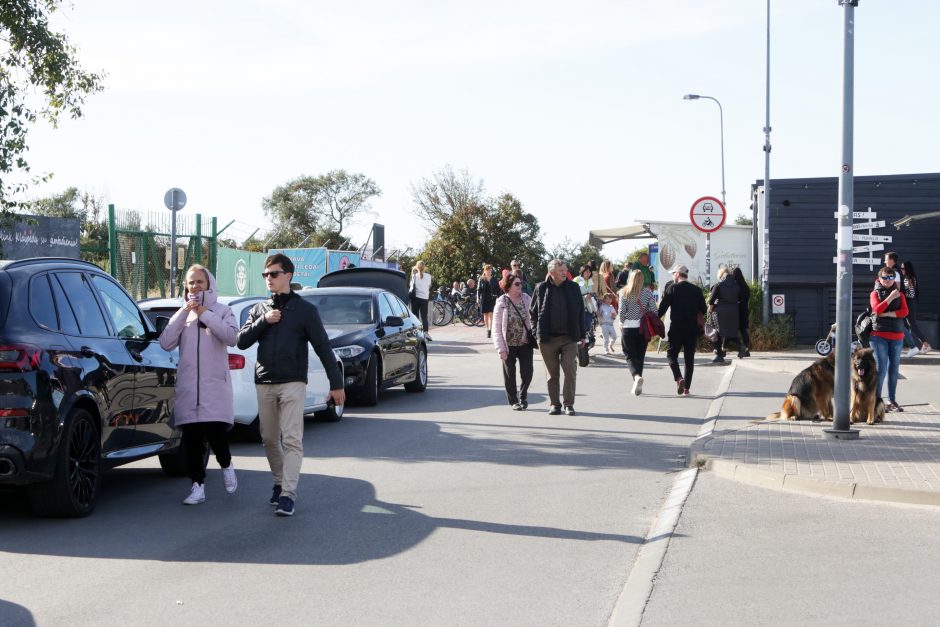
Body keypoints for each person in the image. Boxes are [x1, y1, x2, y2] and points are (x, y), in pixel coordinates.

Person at [237, 253, 346, 517]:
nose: (269, 279)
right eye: (265, 275)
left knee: (292, 439)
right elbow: (241, 341)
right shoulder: (259, 309)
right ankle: (278, 482)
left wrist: (336, 384)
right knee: (269, 439)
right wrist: (264, 321)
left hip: (293, 382)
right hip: (264, 381)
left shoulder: (305, 311)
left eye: (273, 274)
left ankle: (288, 494)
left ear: (288, 275)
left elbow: (322, 346)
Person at [159, 264, 239, 505]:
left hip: (214, 387)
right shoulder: (183, 314)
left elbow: (232, 337)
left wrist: (204, 313)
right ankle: (197, 486)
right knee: (192, 440)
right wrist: (185, 311)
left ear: (209, 284)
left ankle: (226, 465)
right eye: (190, 283)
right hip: (189, 388)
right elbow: (165, 343)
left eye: (199, 282)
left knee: (216, 435)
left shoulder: (223, 311)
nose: (194, 286)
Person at [530, 259, 585, 416]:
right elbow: (533, 313)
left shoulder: (573, 288)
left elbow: (580, 311)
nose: (564, 273)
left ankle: (569, 404)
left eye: (565, 270)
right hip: (547, 339)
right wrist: (536, 333)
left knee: (570, 370)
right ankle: (555, 404)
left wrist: (582, 335)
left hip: (569, 337)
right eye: (561, 271)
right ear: (551, 272)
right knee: (552, 374)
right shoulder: (540, 288)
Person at [658, 265, 707, 396]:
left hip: (676, 328)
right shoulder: (696, 290)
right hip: (692, 329)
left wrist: (652, 319)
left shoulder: (672, 288)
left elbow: (662, 309)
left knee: (671, 355)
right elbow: (704, 309)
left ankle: (679, 378)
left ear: (678, 274)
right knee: (689, 359)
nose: (672, 276)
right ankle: (687, 389)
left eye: (673, 273)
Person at [492, 274, 534, 410]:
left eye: (520, 283)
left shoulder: (527, 299)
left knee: (527, 372)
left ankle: (523, 394)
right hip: (507, 345)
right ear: (508, 286)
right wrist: (500, 349)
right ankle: (514, 401)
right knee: (510, 374)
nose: (520, 286)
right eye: (516, 284)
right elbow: (496, 328)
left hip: (525, 343)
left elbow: (535, 318)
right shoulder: (501, 303)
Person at [870, 266, 908, 412]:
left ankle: (892, 401)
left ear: (894, 279)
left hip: (897, 336)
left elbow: (905, 311)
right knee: (881, 369)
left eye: (891, 277)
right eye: (885, 277)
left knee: (894, 369)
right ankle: (876, 401)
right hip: (879, 336)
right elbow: (876, 310)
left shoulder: (901, 295)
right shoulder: (875, 293)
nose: (888, 280)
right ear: (879, 279)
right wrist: (890, 298)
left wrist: (888, 314)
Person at [618, 269, 657, 395]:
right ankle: (638, 379)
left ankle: (636, 377)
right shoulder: (647, 292)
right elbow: (654, 310)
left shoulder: (624, 292)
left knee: (629, 355)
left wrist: (621, 322)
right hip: (643, 328)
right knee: (640, 356)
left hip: (628, 327)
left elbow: (622, 311)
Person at [707, 266, 741, 363]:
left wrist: (710, 310)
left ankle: (719, 355)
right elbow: (739, 298)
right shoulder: (736, 285)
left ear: (721, 275)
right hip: (734, 311)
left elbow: (711, 301)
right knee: (730, 332)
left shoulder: (718, 285)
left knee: (716, 333)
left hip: (720, 312)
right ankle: (740, 346)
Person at [900, 260, 931, 357]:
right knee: (907, 325)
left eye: (903, 268)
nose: (901, 270)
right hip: (909, 303)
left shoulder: (909, 279)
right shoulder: (909, 278)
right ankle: (914, 346)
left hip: (909, 303)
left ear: (907, 269)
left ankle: (925, 344)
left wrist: (902, 293)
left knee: (912, 325)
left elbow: (911, 294)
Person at [409, 260, 433, 341]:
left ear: (416, 267)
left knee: (415, 316)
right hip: (424, 298)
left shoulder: (414, 276)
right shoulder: (429, 276)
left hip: (416, 298)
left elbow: (411, 286)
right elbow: (429, 286)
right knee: (424, 317)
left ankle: (416, 333)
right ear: (424, 267)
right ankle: (426, 333)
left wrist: (413, 272)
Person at [731, 267, 751, 357]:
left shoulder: (734, 285)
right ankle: (746, 349)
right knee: (744, 331)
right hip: (744, 311)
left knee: (732, 331)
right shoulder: (745, 286)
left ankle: (740, 348)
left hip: (735, 311)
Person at [478, 264, 500, 338]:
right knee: (485, 315)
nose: (489, 271)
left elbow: (498, 289)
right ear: (485, 270)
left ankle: (490, 330)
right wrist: (477, 298)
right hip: (484, 298)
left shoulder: (494, 279)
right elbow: (478, 290)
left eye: (490, 269)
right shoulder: (481, 279)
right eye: (488, 269)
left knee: (491, 314)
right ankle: (487, 329)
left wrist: (499, 297)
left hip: (492, 298)